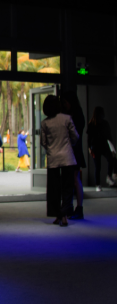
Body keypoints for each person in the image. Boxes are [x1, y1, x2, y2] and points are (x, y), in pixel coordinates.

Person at [41, 95, 79, 227]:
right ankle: (64, 215)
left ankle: (58, 215)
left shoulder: (45, 123)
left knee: (54, 189)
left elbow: (43, 142)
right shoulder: (66, 118)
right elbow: (75, 137)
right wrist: (69, 145)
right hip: (67, 158)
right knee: (68, 188)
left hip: (53, 159)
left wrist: (51, 149)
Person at [61, 91, 86, 218]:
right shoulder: (77, 115)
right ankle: (75, 207)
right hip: (74, 150)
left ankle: (78, 208)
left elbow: (75, 135)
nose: (64, 105)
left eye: (66, 102)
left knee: (75, 179)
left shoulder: (74, 116)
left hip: (73, 150)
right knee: (74, 180)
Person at [87, 106, 116, 192]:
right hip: (95, 147)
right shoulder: (92, 124)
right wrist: (89, 148)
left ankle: (109, 177)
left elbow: (109, 136)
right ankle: (98, 184)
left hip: (104, 146)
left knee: (111, 159)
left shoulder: (104, 123)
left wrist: (112, 148)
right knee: (97, 166)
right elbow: (89, 138)